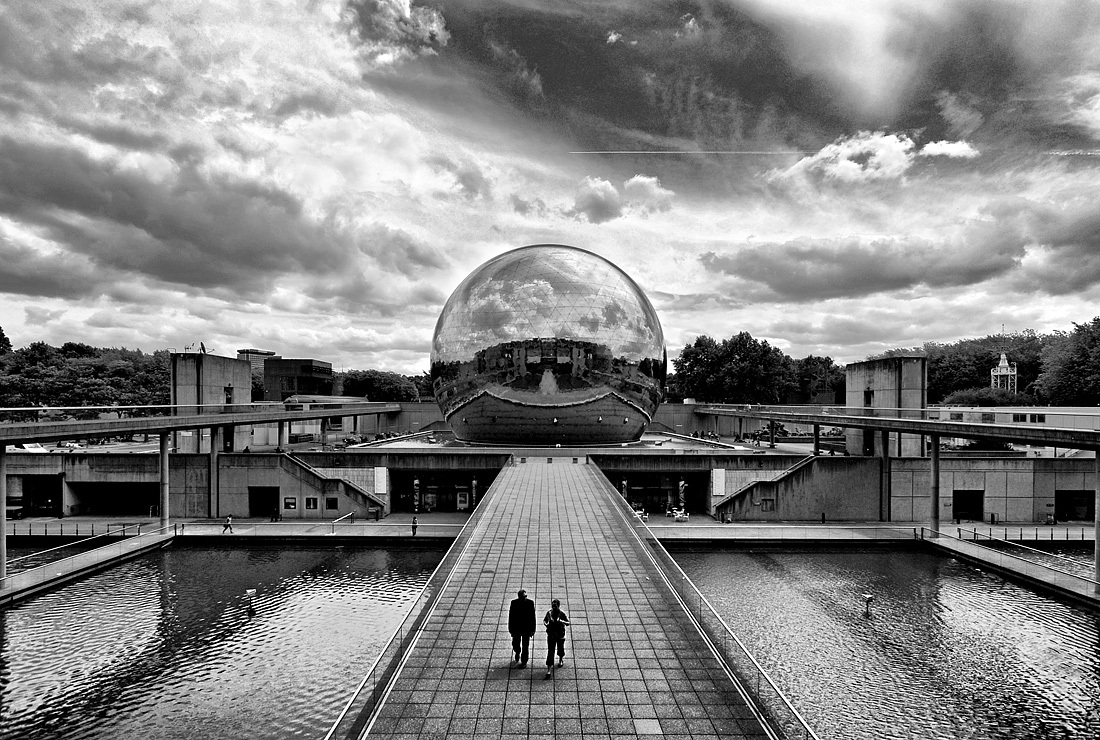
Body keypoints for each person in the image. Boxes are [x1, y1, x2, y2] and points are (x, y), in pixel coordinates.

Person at [508, 589, 536, 667]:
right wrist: (511, 629)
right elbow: (511, 616)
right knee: (515, 644)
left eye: (525, 596)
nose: (525, 598)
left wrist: (532, 629)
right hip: (516, 628)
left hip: (526, 628)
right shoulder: (514, 603)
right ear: (519, 597)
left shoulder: (530, 603)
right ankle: (517, 652)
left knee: (525, 646)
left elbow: (532, 617)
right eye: (523, 596)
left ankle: (524, 661)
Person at [543, 599, 570, 677]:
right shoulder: (549, 613)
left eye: (555, 606)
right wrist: (546, 624)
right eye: (553, 606)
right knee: (550, 651)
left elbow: (568, 623)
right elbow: (545, 620)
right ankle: (549, 670)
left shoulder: (561, 614)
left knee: (560, 648)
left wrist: (561, 621)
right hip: (551, 634)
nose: (553, 608)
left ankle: (560, 659)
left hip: (560, 634)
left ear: (558, 606)